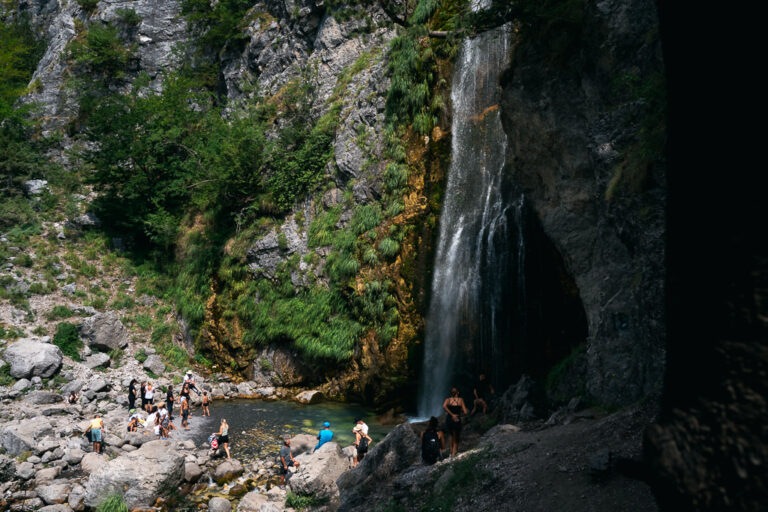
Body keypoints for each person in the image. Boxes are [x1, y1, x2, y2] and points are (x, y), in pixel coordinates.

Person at [442, 386, 467, 457]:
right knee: (456, 437)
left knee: (451, 436)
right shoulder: (460, 400)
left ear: (451, 393)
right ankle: (453, 454)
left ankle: (450, 452)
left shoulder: (448, 400)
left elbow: (444, 406)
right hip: (457, 419)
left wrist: (452, 414)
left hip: (449, 419)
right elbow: (465, 412)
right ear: (458, 393)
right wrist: (458, 414)